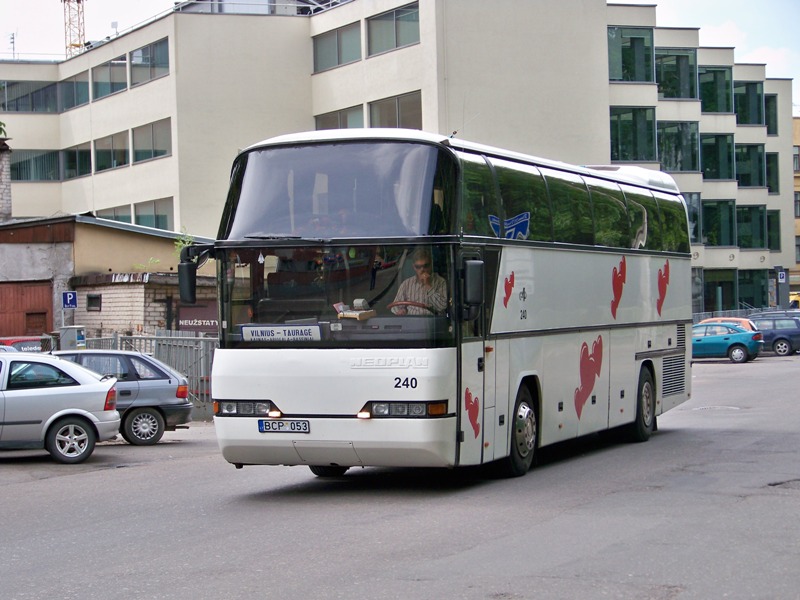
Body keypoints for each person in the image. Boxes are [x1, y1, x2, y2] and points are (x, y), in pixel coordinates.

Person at [391, 248, 447, 315]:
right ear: (414, 267)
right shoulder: (407, 284)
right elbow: (394, 306)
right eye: (418, 267)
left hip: (433, 322)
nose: (422, 270)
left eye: (425, 266)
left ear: (431, 265)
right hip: (412, 322)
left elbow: (442, 307)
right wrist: (401, 310)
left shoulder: (440, 282)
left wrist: (428, 286)